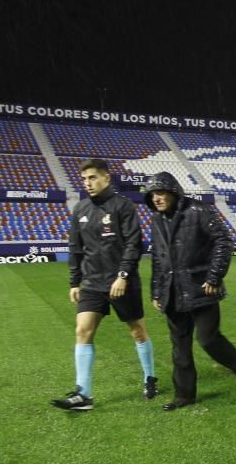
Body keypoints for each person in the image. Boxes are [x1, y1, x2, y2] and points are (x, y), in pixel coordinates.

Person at [50, 159, 157, 410]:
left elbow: (134, 244)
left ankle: (149, 376)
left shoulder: (123, 206)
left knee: (137, 331)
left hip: (122, 282)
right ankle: (83, 394)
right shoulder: (80, 209)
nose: (88, 183)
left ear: (106, 178)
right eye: (85, 179)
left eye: (93, 178)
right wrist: (75, 281)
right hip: (92, 282)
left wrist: (123, 276)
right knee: (82, 331)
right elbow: (75, 248)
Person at [144, 172, 236, 411]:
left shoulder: (199, 211)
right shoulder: (156, 220)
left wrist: (214, 276)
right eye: (152, 194)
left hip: (200, 289)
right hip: (172, 293)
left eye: (160, 192)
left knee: (208, 339)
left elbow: (223, 241)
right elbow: (157, 259)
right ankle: (184, 395)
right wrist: (156, 292)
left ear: (173, 191)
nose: (156, 198)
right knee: (179, 346)